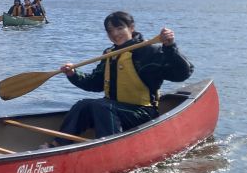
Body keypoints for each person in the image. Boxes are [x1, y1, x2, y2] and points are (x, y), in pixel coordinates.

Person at [40, 11, 194, 148]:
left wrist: (170, 47)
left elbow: (182, 73)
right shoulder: (109, 54)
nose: (115, 34)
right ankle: (58, 144)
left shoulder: (149, 51)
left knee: (102, 106)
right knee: (84, 104)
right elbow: (95, 83)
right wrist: (73, 74)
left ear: (131, 28)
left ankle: (110, 147)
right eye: (110, 31)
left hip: (142, 112)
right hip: (112, 110)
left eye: (120, 28)